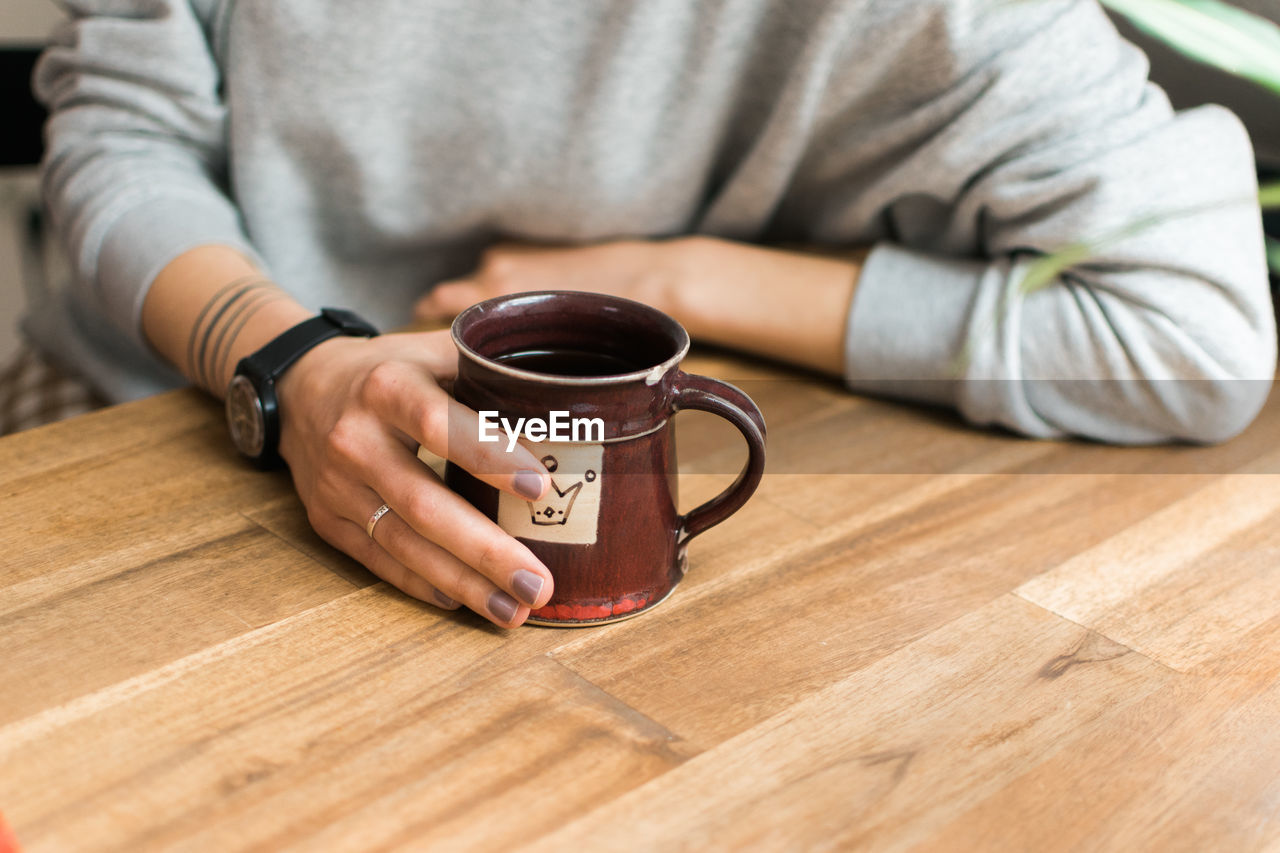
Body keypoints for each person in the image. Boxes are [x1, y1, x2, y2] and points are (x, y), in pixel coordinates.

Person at [28, 0, 1277, 628]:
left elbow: (1193, 336)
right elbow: (116, 134)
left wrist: (682, 279)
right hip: (150, 410)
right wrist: (288, 362)